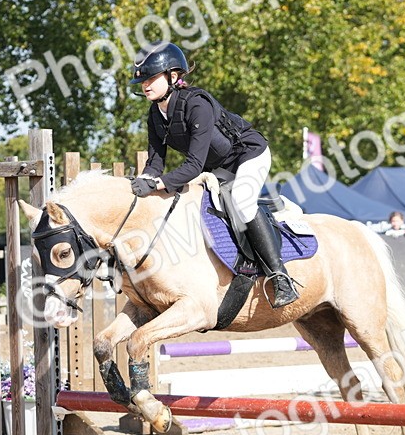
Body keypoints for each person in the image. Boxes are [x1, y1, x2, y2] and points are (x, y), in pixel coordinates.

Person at [128, 41, 299, 308]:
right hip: (217, 168)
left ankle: (280, 277)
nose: (145, 85)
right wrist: (144, 181)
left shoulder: (197, 104)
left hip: (248, 155)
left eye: (151, 78)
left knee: (241, 200)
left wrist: (159, 183)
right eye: (142, 81)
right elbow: (155, 163)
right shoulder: (155, 115)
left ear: (173, 76)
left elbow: (194, 166)